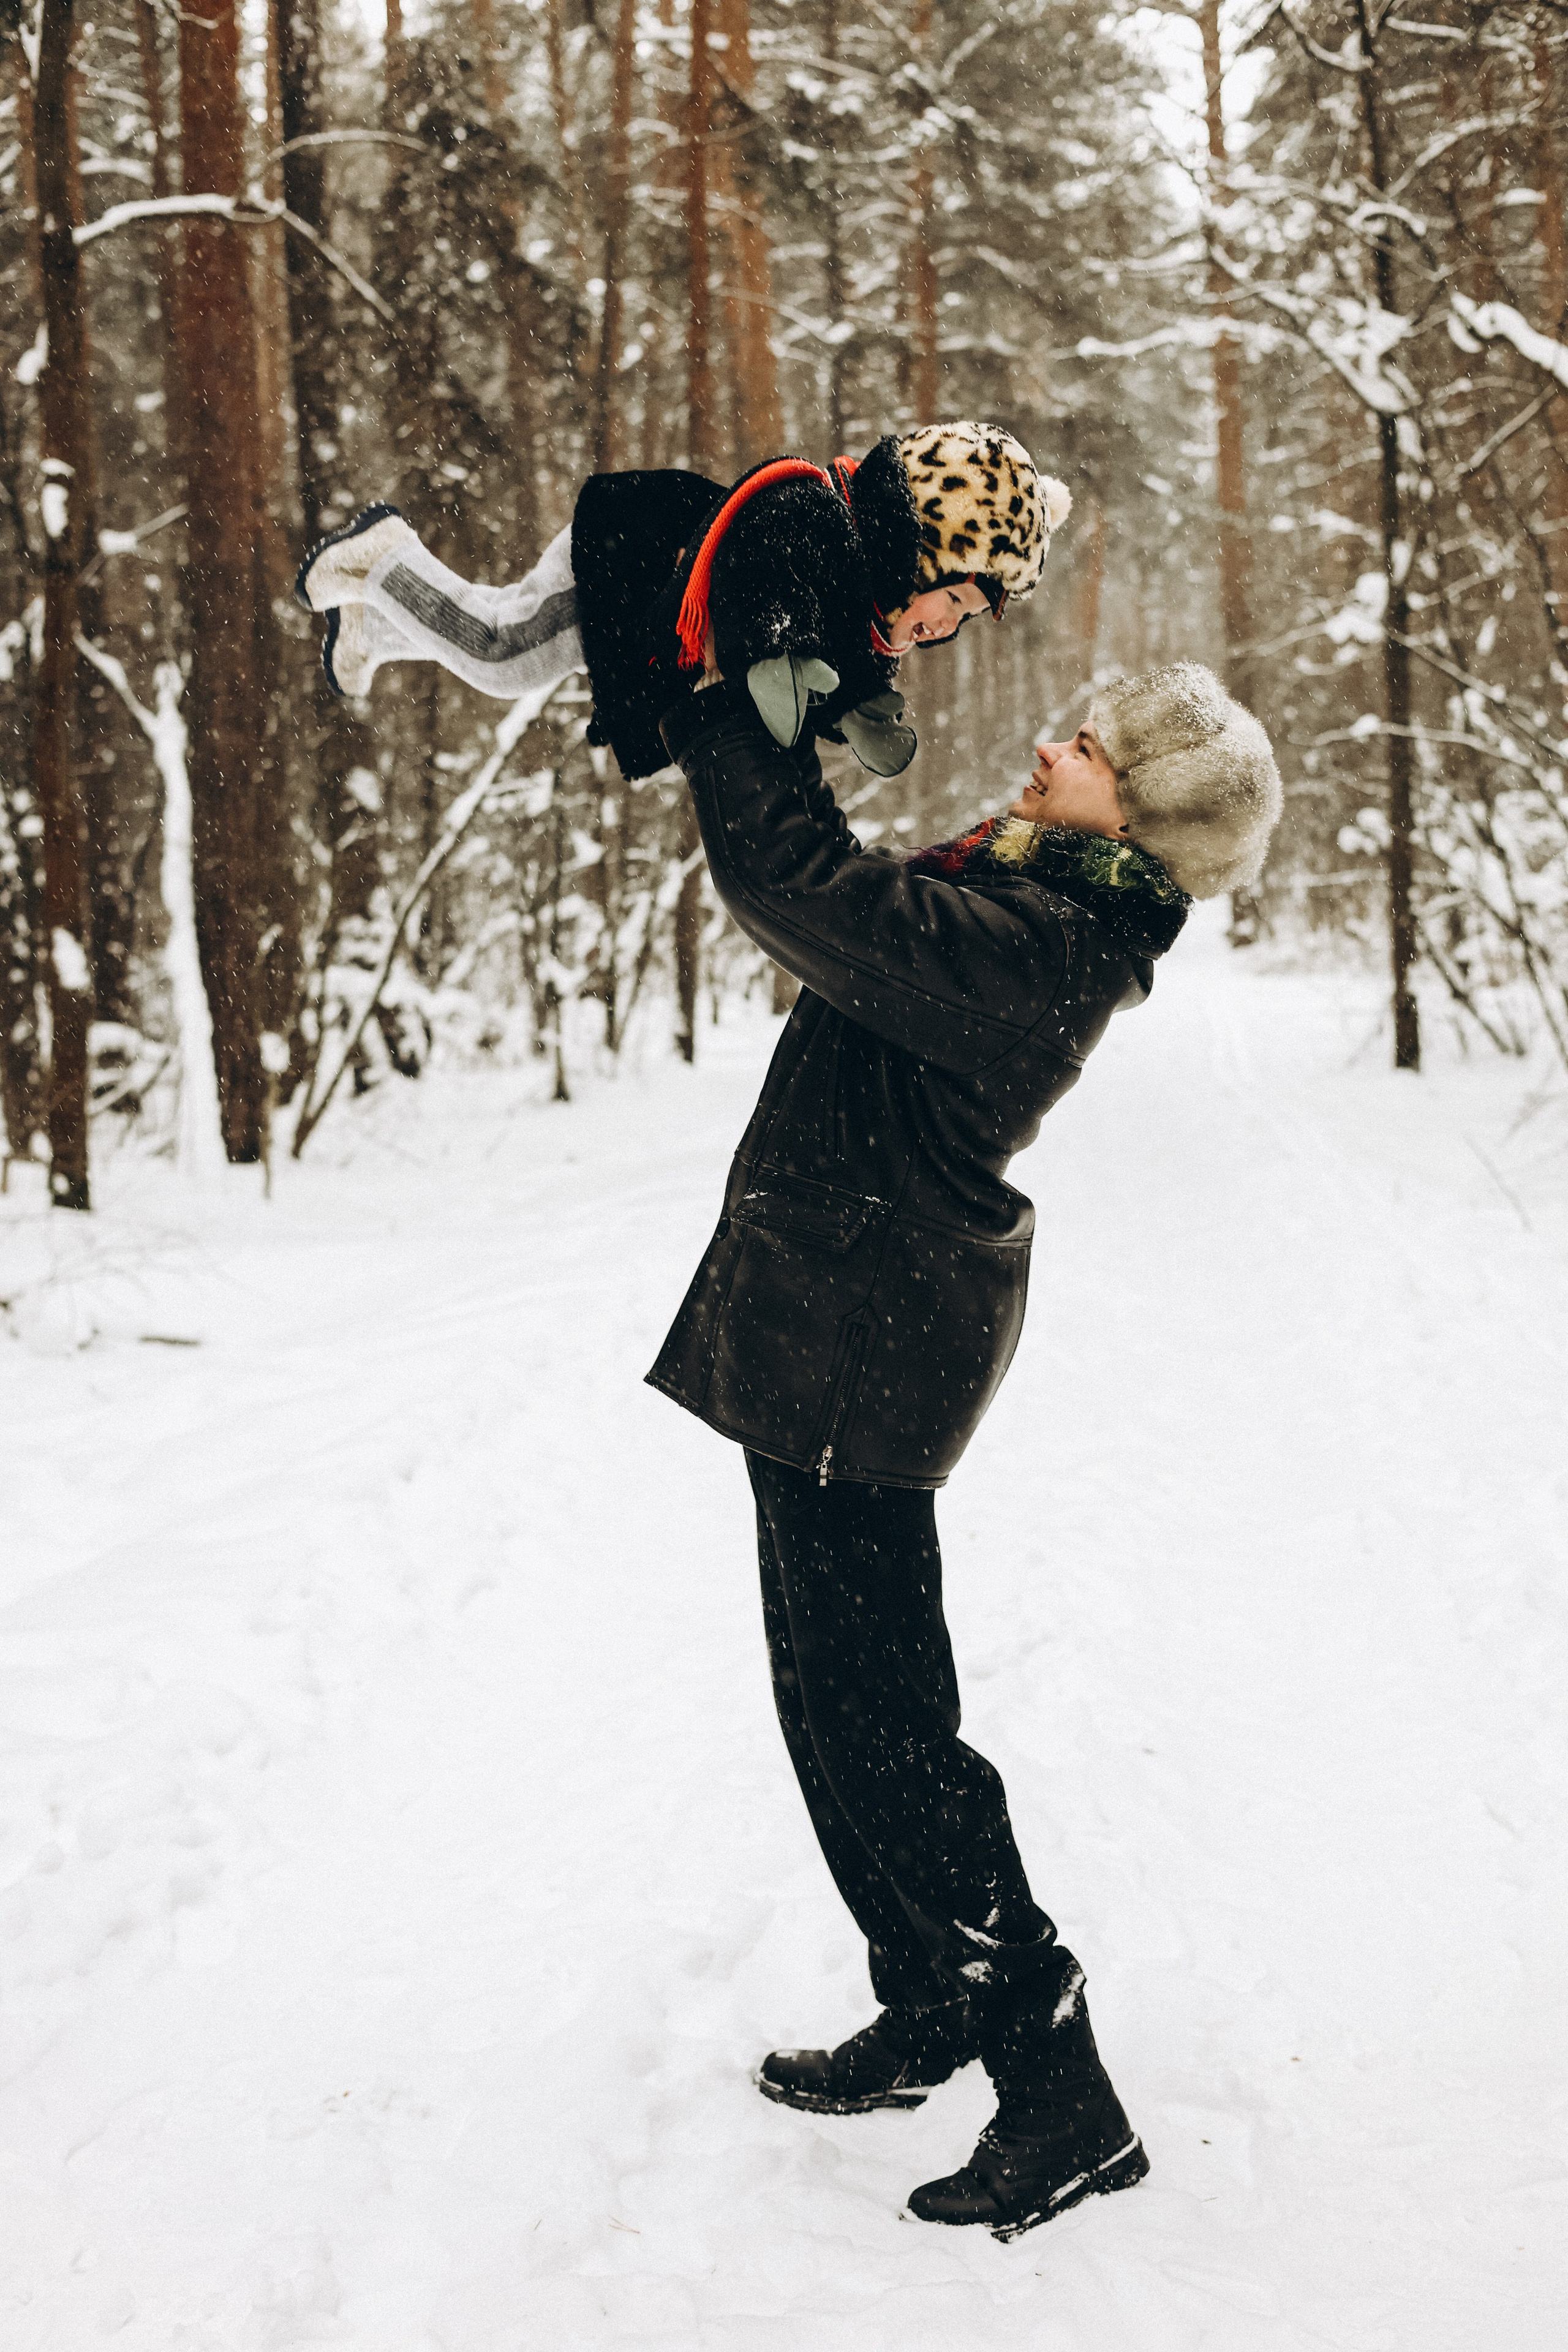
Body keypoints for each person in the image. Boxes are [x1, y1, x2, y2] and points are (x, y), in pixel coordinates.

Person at [647, 658, 1283, 2240]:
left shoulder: (1036, 946)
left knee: (894, 1735)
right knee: (825, 1693)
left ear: (1131, 821)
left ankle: (1059, 2088)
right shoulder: (1026, 896)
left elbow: (798, 884)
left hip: (866, 1337)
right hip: (831, 1322)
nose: (1055, 743)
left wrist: (726, 694)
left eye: (1090, 749)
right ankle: (930, 1993)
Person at [293, 424, 1071, 782]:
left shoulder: (855, 593)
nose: (946, 626)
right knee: (502, 653)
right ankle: (386, 559)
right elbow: (766, 576)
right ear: (916, 549)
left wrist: (856, 705)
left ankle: (372, 628)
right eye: (954, 600)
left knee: (512, 652)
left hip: (646, 592)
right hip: (634, 564)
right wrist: (775, 652)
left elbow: (829, 666)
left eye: (966, 621)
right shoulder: (811, 511)